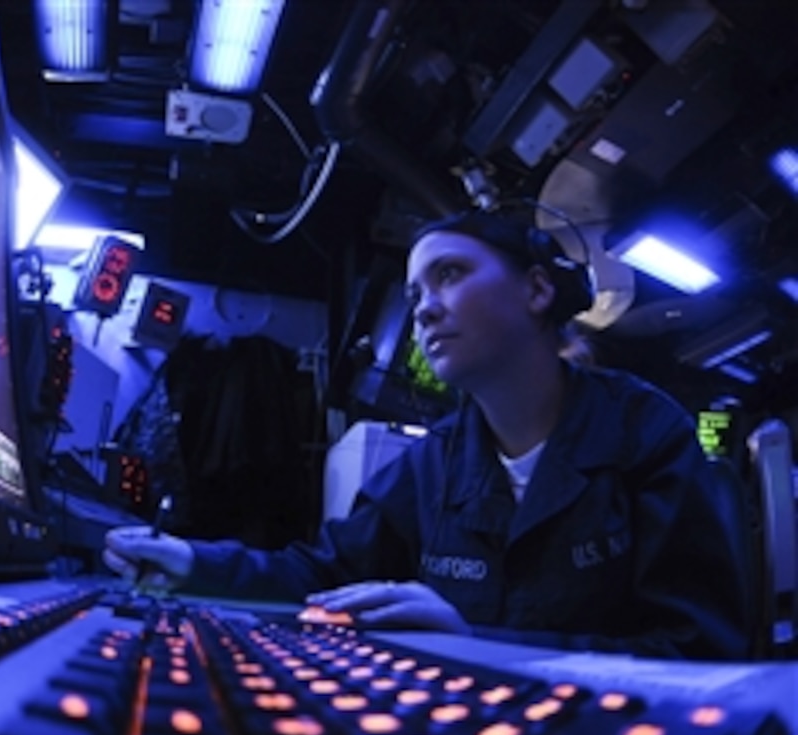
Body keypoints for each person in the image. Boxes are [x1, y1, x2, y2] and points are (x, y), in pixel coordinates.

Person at [103, 209, 750, 661]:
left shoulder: (643, 429)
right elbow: (325, 572)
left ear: (536, 288)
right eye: (415, 295)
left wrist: (475, 642)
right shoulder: (436, 461)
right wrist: (193, 561)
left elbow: (698, 649)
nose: (426, 309)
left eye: (450, 275)